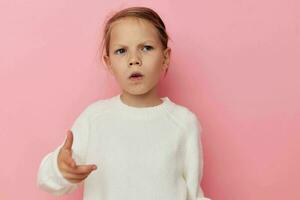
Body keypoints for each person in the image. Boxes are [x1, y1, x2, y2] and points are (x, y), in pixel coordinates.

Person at [37, 6, 211, 200]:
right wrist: (61, 169)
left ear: (165, 58)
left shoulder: (184, 122)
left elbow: (193, 193)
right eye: (121, 51)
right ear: (109, 62)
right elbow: (46, 178)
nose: (134, 60)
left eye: (146, 48)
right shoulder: (94, 118)